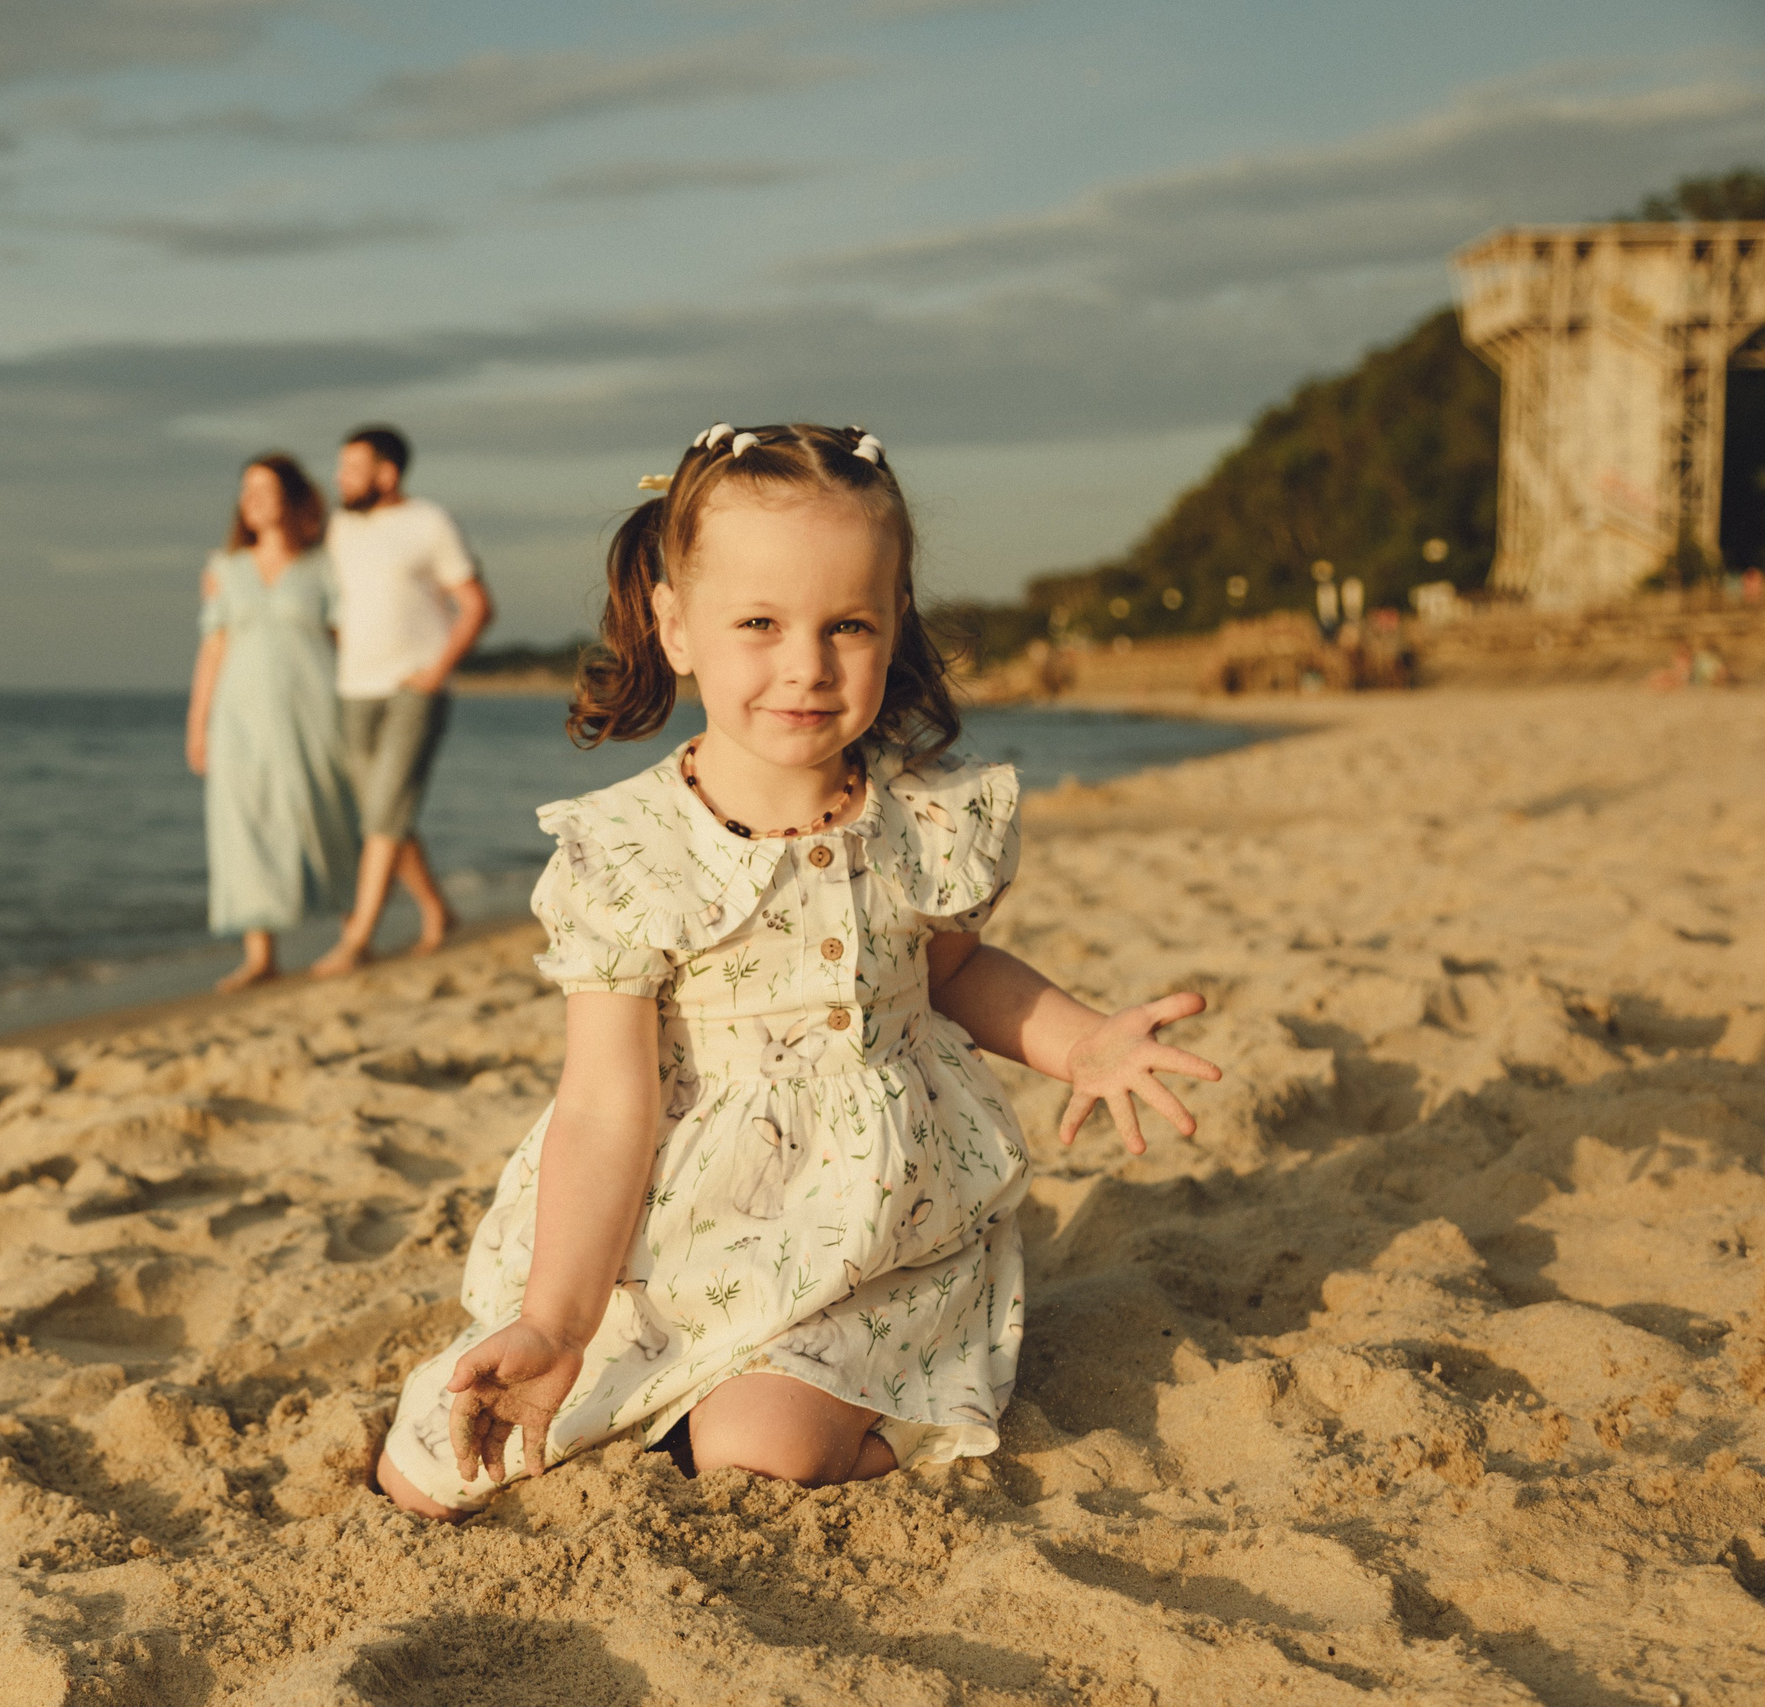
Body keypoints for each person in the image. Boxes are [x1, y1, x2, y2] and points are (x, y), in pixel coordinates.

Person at [374, 421, 1221, 1518]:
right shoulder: (628, 852)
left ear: (894, 624)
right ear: (676, 625)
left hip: (875, 1235)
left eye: (848, 625)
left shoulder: (921, 819)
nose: (807, 666)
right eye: (759, 623)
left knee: (754, 1450)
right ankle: (656, 1383)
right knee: (425, 1473)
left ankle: (879, 1405)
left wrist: (1081, 1042)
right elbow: (603, 1106)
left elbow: (956, 976)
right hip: (672, 1231)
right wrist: (557, 1322)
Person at [309, 425, 493, 977]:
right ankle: (437, 910)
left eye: (352, 468)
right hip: (353, 688)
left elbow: (475, 604)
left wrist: (437, 671)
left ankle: (357, 938)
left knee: (385, 814)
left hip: (413, 690)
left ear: (387, 473)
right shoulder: (339, 528)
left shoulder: (429, 521)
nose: (340, 478)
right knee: (382, 813)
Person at [184, 454, 360, 992]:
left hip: (316, 712)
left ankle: (356, 933)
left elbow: (346, 640)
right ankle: (260, 955)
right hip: (238, 718)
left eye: (264, 488)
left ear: (292, 497)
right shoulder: (224, 569)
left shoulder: (324, 565)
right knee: (244, 826)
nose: (252, 499)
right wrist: (197, 724)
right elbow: (213, 649)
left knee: (329, 813)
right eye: (246, 490)